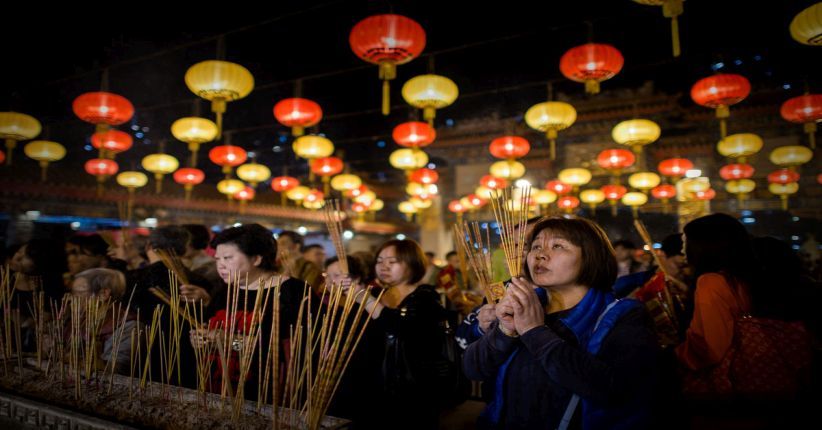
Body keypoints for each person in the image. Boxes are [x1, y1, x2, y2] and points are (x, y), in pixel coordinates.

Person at [463, 216, 658, 429]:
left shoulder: (624, 316)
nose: (540, 254)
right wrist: (505, 330)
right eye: (536, 246)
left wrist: (533, 330)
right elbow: (474, 369)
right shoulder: (521, 305)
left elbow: (616, 389)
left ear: (590, 256)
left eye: (558, 246)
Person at [190, 224, 305, 400]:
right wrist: (201, 340)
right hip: (220, 390)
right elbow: (211, 330)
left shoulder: (291, 292)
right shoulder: (224, 289)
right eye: (217, 259)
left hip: (266, 396)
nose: (220, 266)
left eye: (228, 258)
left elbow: (291, 352)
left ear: (256, 259)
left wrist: (231, 342)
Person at [350, 239, 454, 429]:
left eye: (392, 261)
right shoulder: (378, 294)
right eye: (380, 261)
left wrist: (366, 301)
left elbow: (402, 328)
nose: (384, 266)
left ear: (412, 263)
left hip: (413, 392)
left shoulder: (425, 298)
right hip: (376, 389)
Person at [70, 268, 140, 374]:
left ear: (103, 294)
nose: (72, 298)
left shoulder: (128, 326)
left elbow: (117, 369)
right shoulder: (81, 320)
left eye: (79, 293)